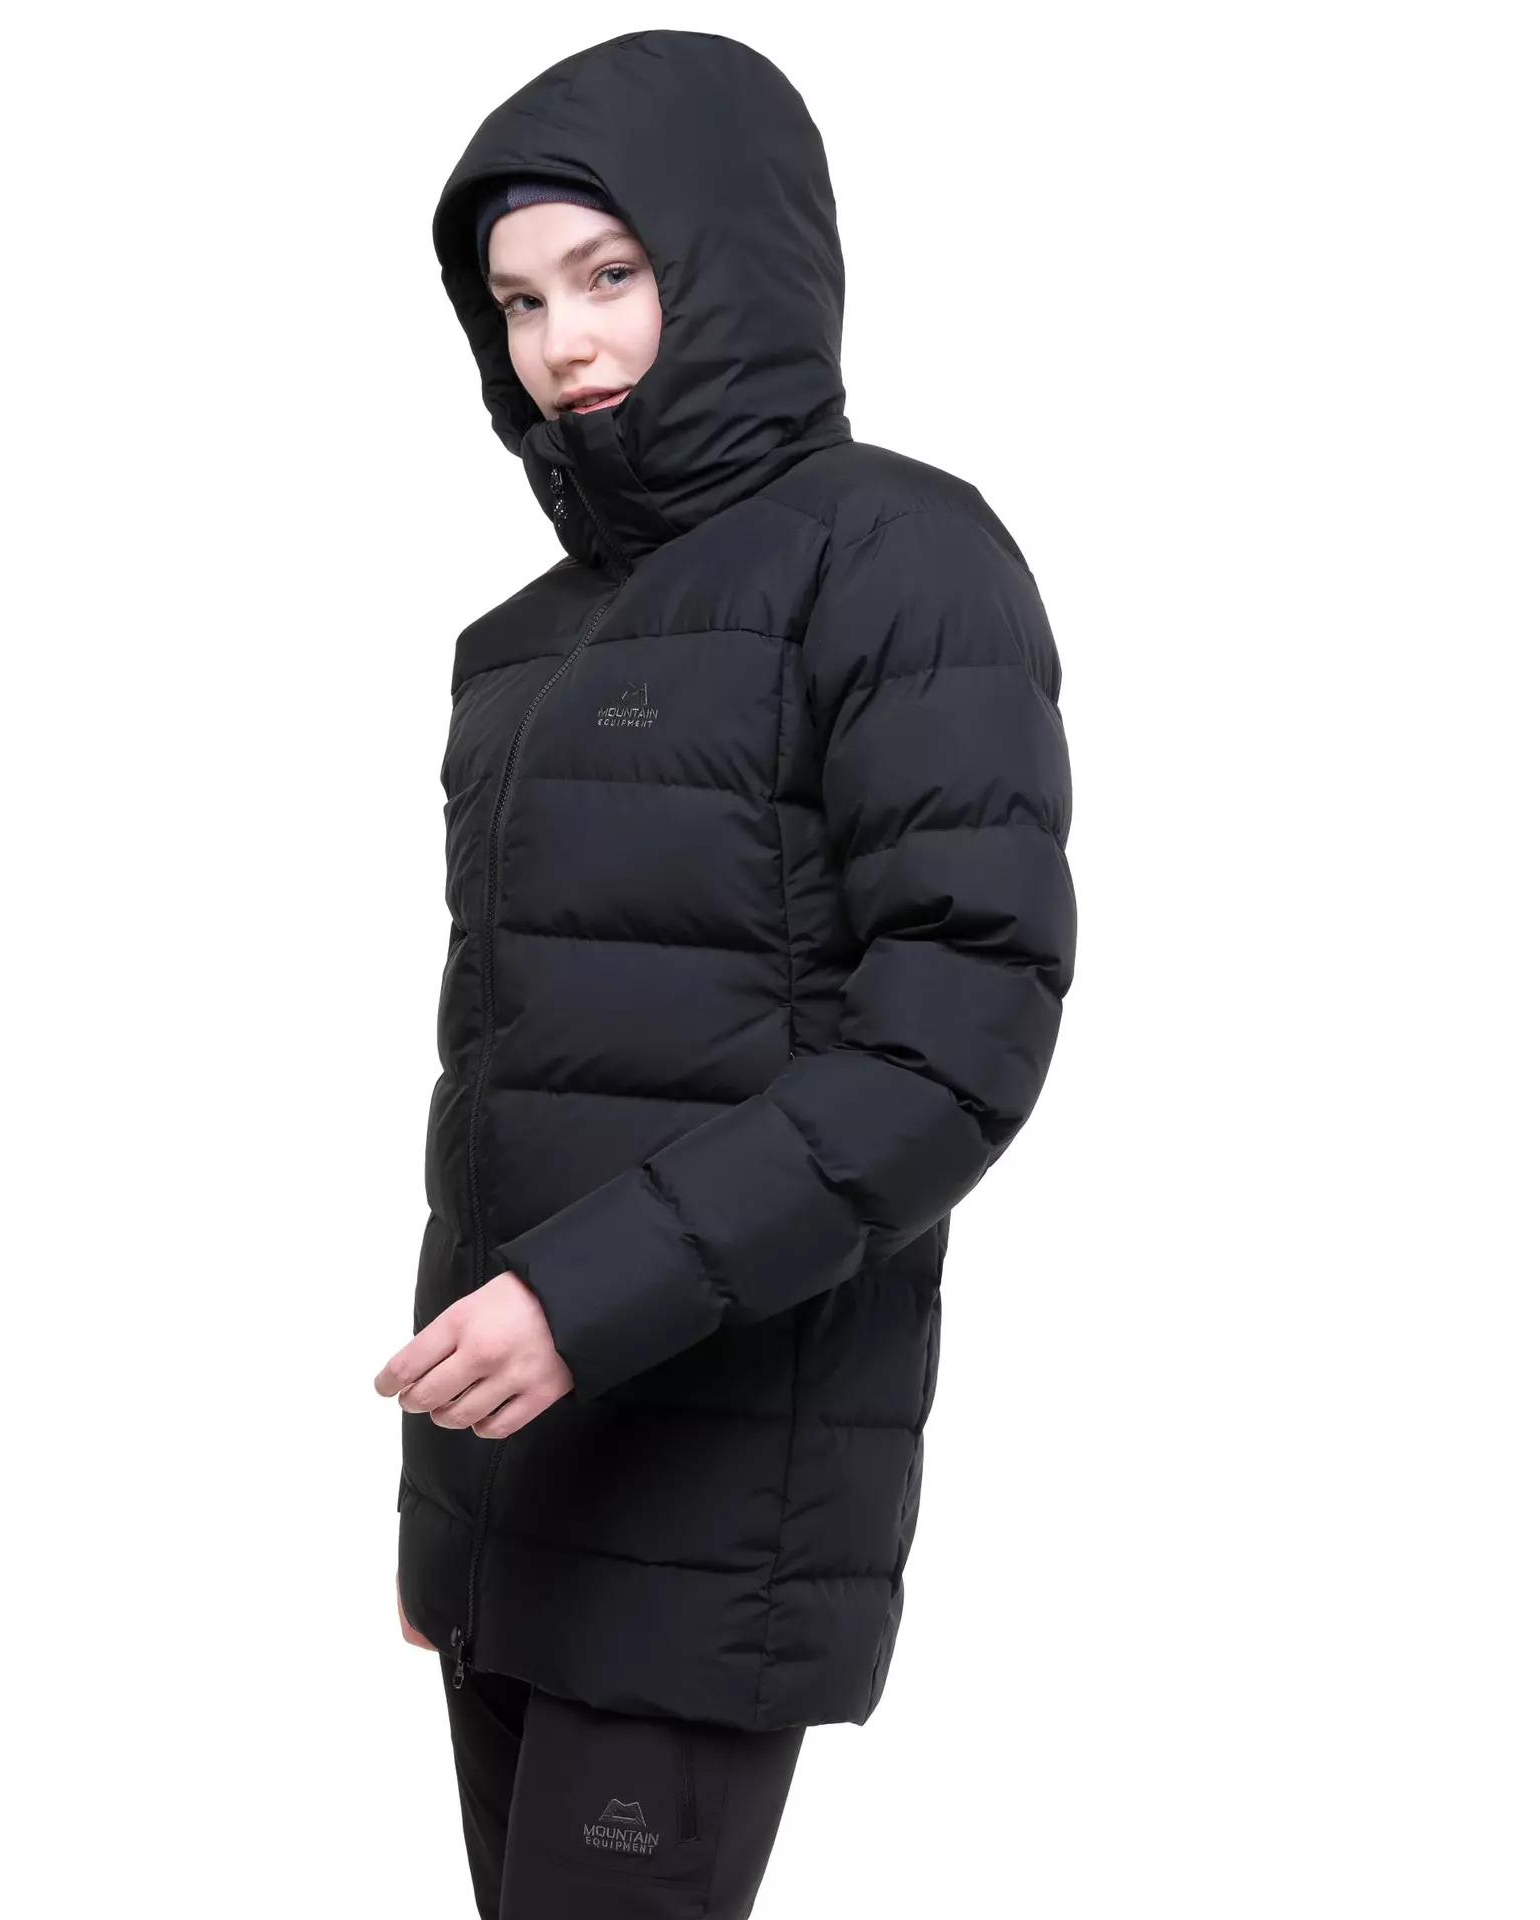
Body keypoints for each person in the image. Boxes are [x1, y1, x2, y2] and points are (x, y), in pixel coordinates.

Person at [374, 28, 1078, 1917]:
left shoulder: (902, 557)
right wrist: (451, 1522)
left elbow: (953, 1044)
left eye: (610, 273)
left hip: (720, 1478)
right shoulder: (524, 643)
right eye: (519, 300)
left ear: (736, 255)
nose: (563, 342)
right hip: (520, 1470)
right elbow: (506, 1084)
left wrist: (578, 1304)